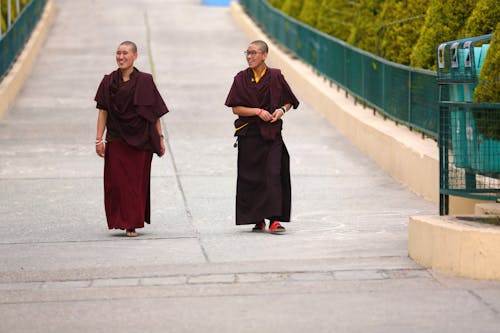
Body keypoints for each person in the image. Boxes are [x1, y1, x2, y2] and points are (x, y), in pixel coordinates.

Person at [94, 41, 169, 237]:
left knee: (136, 183)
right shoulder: (108, 81)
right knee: (117, 183)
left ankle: (132, 223)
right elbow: (102, 111)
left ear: (135, 56)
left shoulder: (145, 80)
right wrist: (98, 139)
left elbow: (154, 113)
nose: (121, 57)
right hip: (117, 138)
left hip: (141, 140)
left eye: (125, 53)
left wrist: (160, 138)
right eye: (118, 53)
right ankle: (120, 219)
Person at [225, 40, 299, 234]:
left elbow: (289, 100)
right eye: (247, 53)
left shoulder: (275, 76)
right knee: (252, 177)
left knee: (274, 173)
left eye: (254, 53)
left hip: (272, 134)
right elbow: (235, 108)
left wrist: (281, 111)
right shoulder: (240, 78)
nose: (250, 57)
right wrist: (257, 111)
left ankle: (275, 219)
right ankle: (257, 219)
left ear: (265, 55)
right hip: (249, 135)